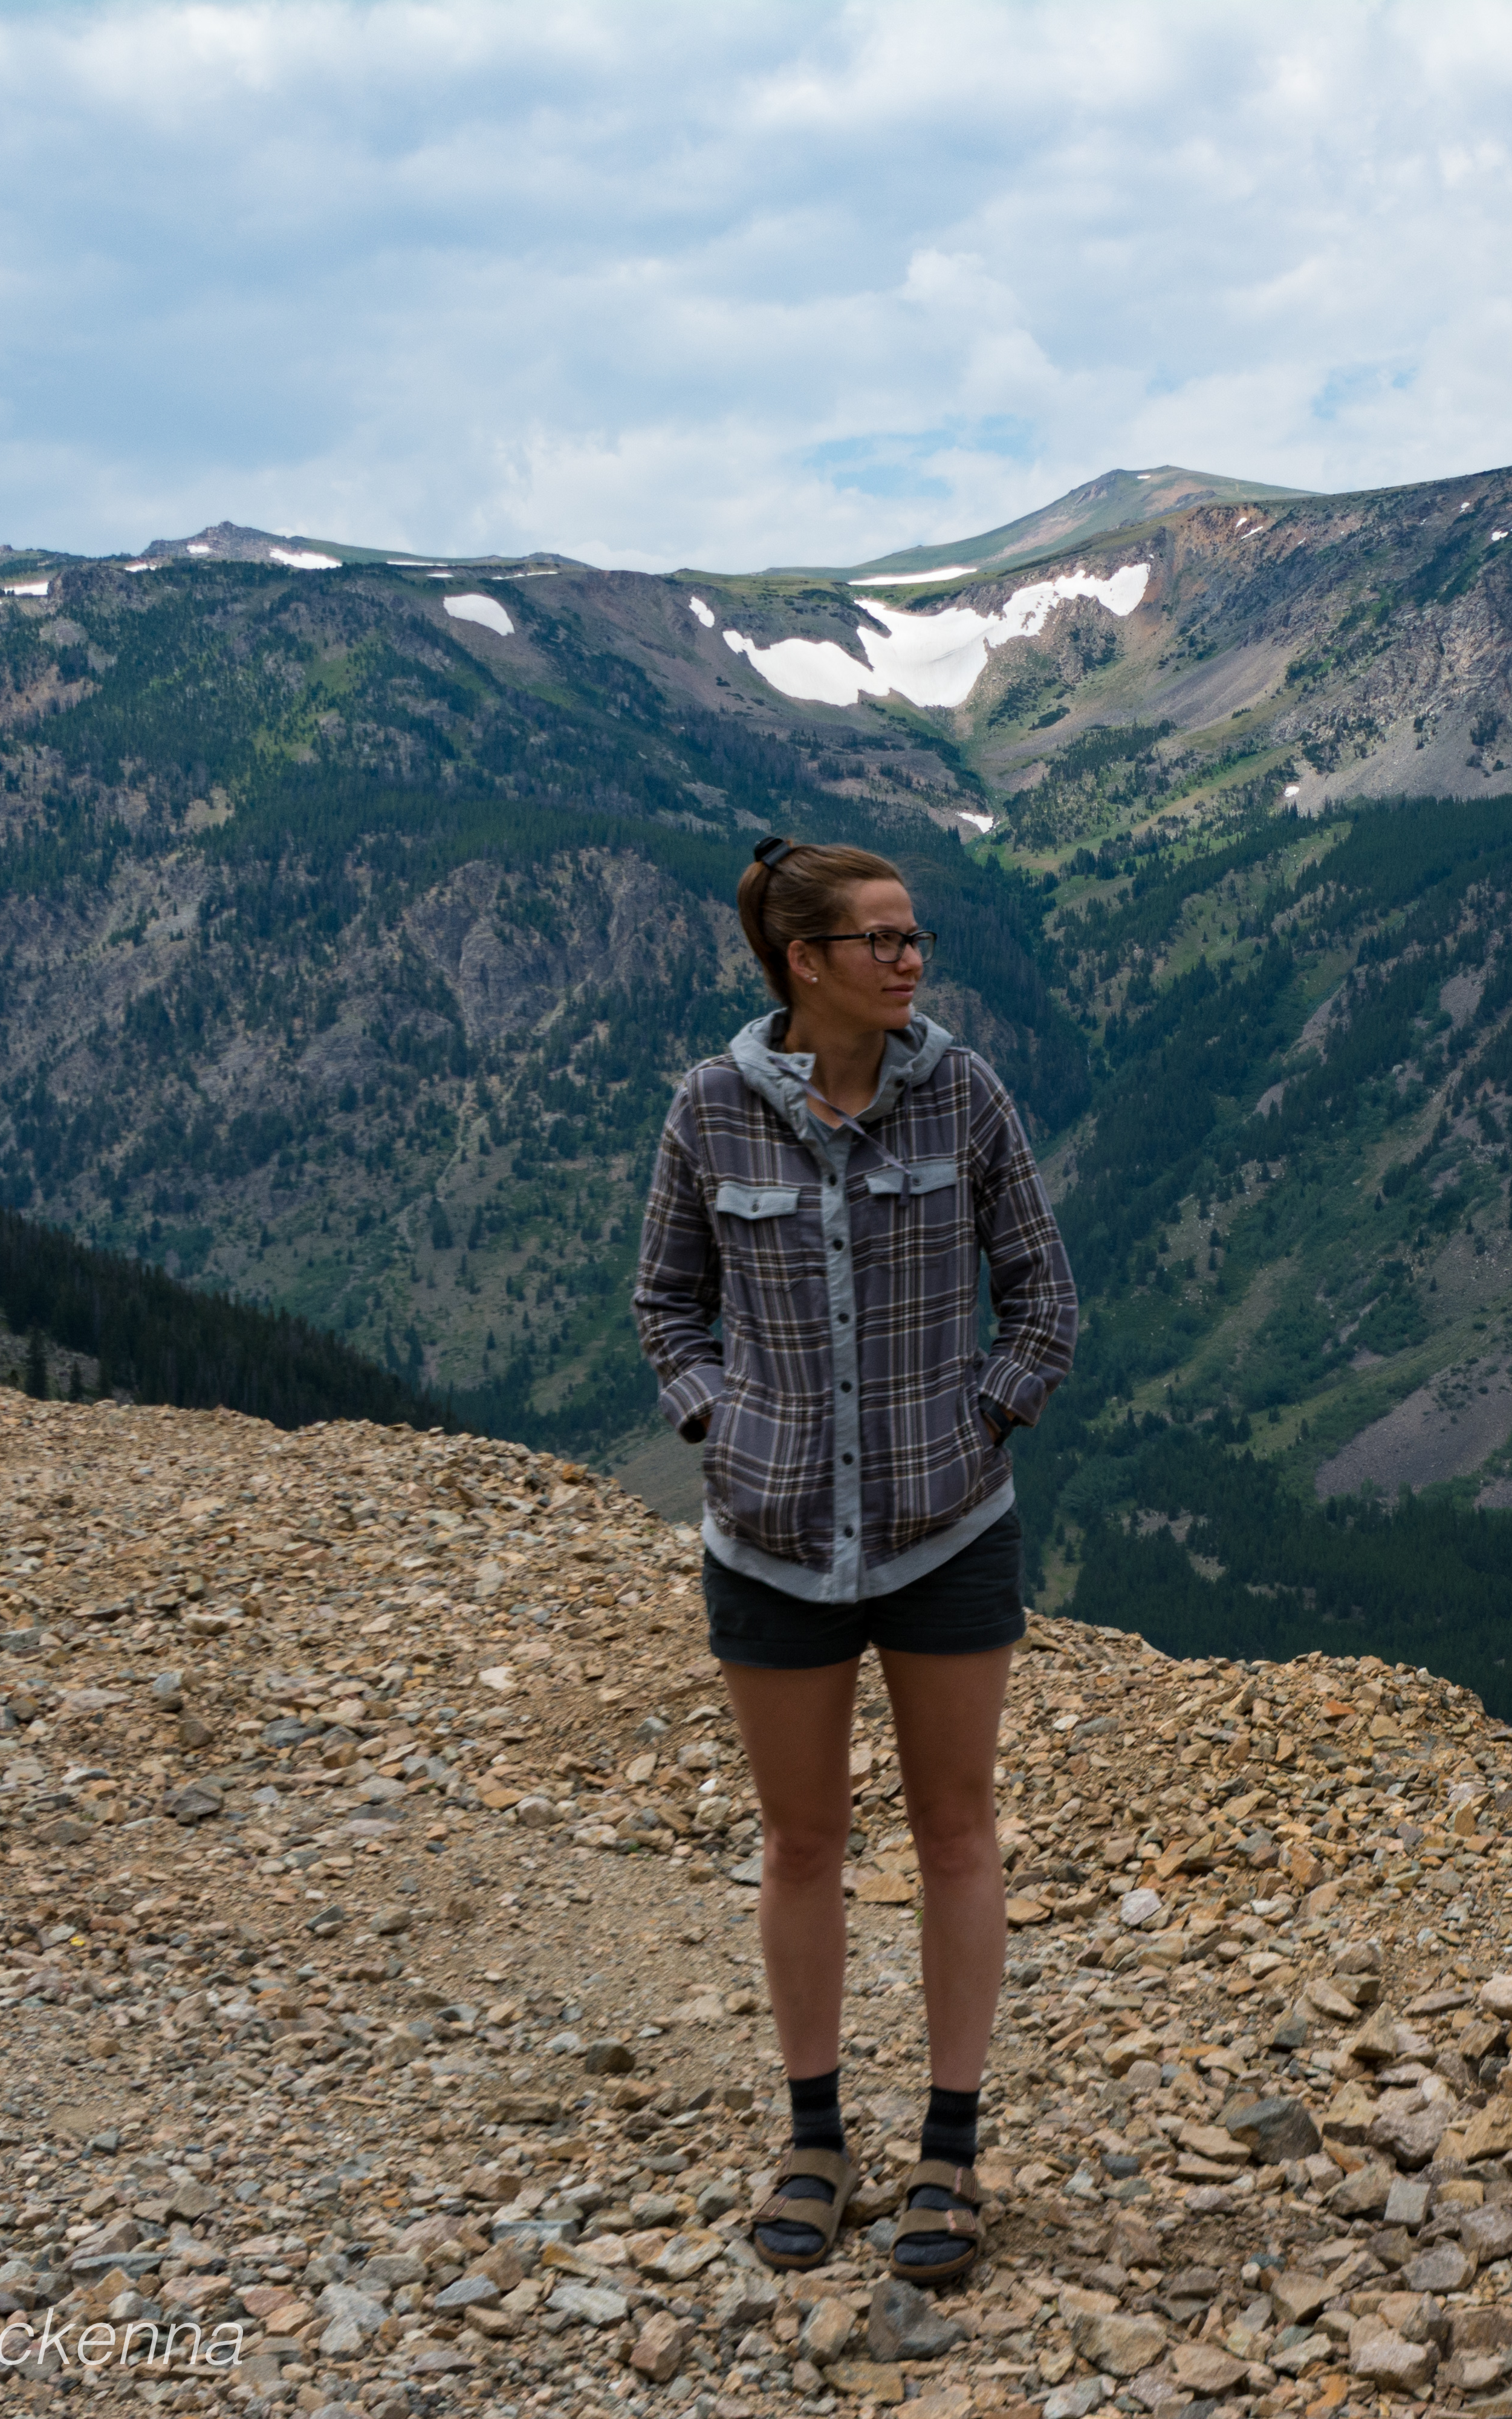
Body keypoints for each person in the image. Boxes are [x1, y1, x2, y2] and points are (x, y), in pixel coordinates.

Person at [631, 835, 1078, 2285]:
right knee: (801, 1839)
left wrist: (979, 1426)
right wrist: (724, 1424)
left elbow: (1045, 1300)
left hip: (947, 1529)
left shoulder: (966, 1095)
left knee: (958, 1828)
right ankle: (814, 2136)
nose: (911, 959)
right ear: (803, 961)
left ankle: (951, 2145)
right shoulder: (710, 1110)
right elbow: (665, 1302)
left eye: (916, 937)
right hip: (767, 1537)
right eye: (881, 939)